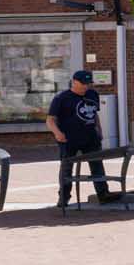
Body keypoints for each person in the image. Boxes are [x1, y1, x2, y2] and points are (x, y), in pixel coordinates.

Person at [47, 69, 117, 211]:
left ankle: (103, 194)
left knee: (97, 165)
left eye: (88, 83)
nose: (86, 86)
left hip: (90, 137)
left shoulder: (92, 94)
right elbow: (50, 120)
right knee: (67, 168)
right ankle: (64, 196)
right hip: (69, 139)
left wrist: (99, 131)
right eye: (83, 83)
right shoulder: (62, 98)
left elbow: (94, 115)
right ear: (74, 82)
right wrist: (57, 133)